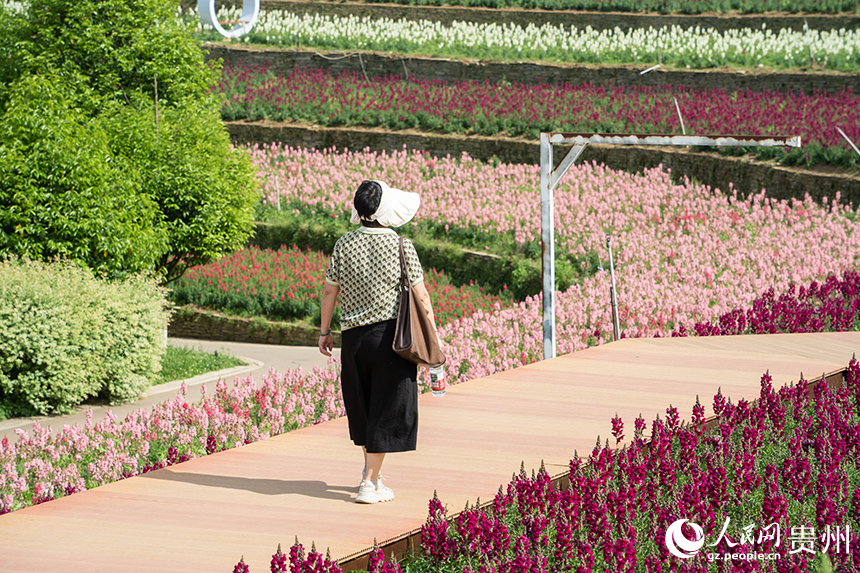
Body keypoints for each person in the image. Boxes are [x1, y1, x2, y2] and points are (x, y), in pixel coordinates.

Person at [318, 179, 437, 504]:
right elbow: (420, 294)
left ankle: (373, 475)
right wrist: (434, 337)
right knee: (388, 409)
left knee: (364, 407)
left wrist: (324, 330)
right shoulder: (402, 245)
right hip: (390, 341)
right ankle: (369, 484)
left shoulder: (344, 244)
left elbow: (330, 290)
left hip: (354, 341)